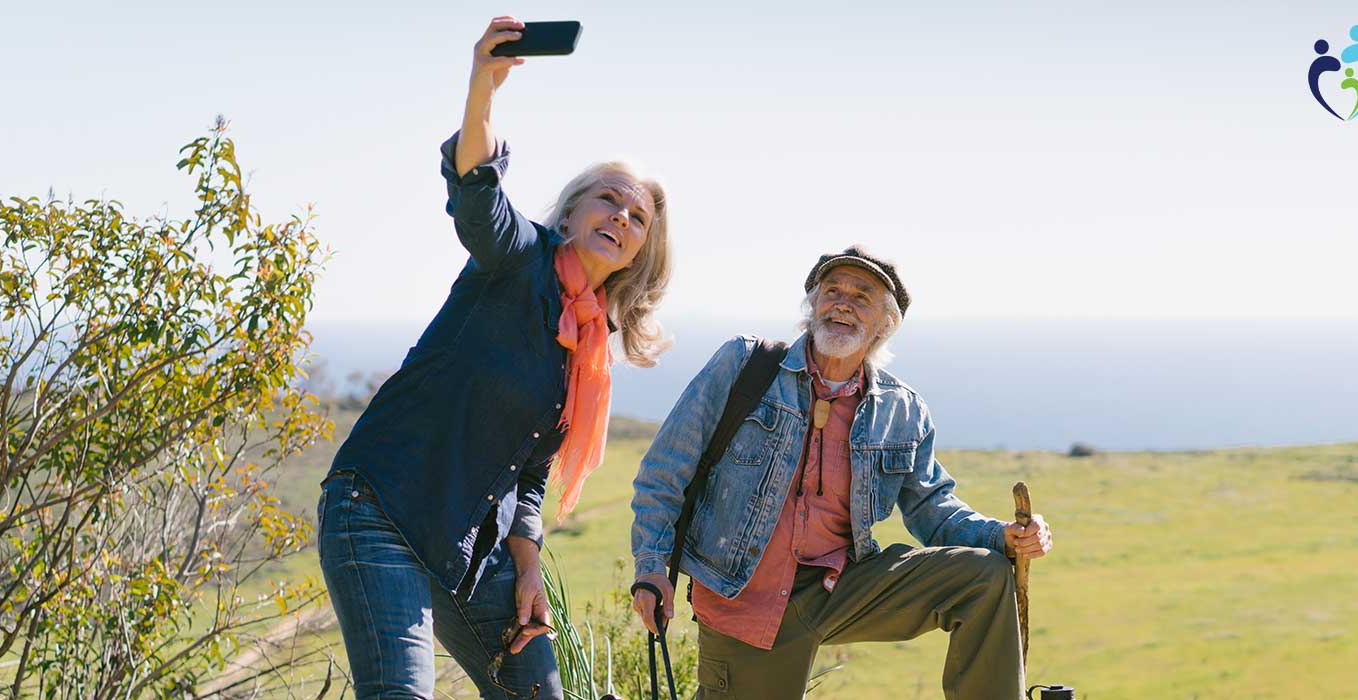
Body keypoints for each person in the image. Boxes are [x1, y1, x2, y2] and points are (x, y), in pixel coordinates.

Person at [317, 16, 671, 699]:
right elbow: (477, 192)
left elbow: (532, 467)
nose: (621, 218)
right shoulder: (518, 259)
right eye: (609, 200)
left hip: (472, 548)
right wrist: (484, 84)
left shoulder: (587, 342)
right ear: (569, 216)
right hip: (381, 510)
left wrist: (528, 560)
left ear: (639, 253)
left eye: (637, 218)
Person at [629, 246, 1053, 699]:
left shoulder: (901, 409)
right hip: (746, 596)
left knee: (982, 576)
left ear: (884, 324)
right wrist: (651, 567)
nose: (843, 304)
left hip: (844, 586)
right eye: (832, 291)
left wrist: (1001, 537)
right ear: (813, 306)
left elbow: (933, 509)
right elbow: (665, 470)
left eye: (862, 296)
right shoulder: (743, 364)